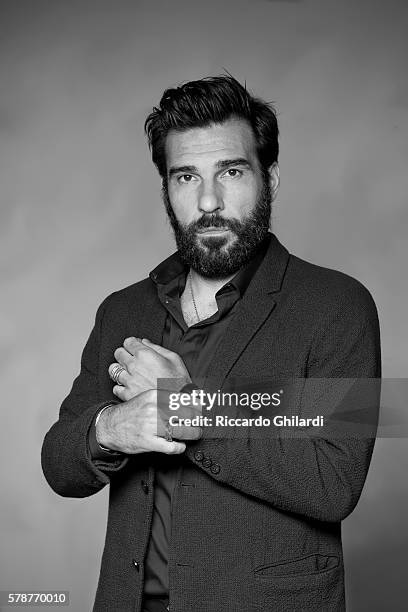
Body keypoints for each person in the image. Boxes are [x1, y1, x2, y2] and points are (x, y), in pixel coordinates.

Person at [41, 75, 381, 612]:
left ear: (270, 177)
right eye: (185, 177)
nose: (208, 200)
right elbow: (59, 465)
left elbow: (334, 481)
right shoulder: (122, 310)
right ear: (166, 191)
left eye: (231, 171)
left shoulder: (338, 306)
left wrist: (187, 407)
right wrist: (111, 427)